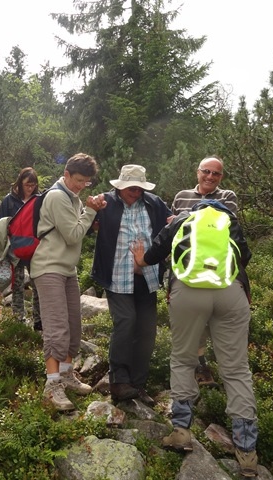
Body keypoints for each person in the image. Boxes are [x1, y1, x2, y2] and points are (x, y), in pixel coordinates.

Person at [132, 200, 258, 477]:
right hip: (230, 292)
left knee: (182, 358)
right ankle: (247, 451)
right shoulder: (230, 221)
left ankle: (181, 432)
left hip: (188, 291)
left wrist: (141, 259)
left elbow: (155, 253)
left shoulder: (182, 219)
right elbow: (244, 258)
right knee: (236, 369)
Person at [31, 153, 107, 411]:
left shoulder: (72, 197)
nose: (80, 185)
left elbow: (76, 229)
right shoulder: (56, 196)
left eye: (86, 182)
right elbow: (74, 235)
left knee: (74, 324)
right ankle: (52, 386)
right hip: (48, 267)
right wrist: (91, 211)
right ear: (66, 175)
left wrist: (89, 214)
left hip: (67, 269)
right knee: (56, 327)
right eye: (77, 180)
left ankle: (66, 374)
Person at [90, 164, 170, 405]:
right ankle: (119, 381)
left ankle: (138, 384)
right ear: (120, 186)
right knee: (126, 321)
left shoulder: (153, 203)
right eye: (131, 188)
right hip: (116, 275)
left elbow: (172, 224)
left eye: (139, 188)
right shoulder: (105, 203)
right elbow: (82, 226)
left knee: (146, 329)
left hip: (147, 274)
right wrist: (91, 212)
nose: (135, 192)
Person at [171, 155, 238, 388]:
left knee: (217, 321)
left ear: (221, 177)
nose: (210, 177)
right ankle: (198, 365)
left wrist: (183, 219)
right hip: (186, 271)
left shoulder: (227, 197)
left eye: (216, 173)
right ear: (197, 172)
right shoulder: (181, 196)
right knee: (192, 322)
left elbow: (228, 226)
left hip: (218, 270)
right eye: (206, 171)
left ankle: (227, 369)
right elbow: (173, 234)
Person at [0, 167, 42, 330]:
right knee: (18, 284)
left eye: (33, 185)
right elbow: (0, 225)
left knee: (38, 284)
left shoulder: (39, 200)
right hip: (14, 248)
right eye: (27, 185)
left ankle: (38, 321)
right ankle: (18, 318)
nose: (30, 188)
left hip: (35, 249)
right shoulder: (9, 201)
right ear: (20, 183)